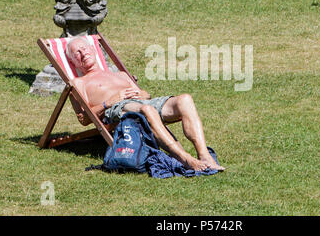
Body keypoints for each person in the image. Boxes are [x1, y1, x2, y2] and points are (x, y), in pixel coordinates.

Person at [65, 37, 224, 172]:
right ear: (73, 62)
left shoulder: (120, 74)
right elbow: (83, 119)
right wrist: (110, 101)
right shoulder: (78, 83)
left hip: (141, 102)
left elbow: (145, 95)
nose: (82, 53)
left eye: (84, 48)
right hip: (116, 109)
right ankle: (184, 158)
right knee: (146, 109)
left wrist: (142, 94)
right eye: (76, 53)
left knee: (184, 99)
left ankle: (204, 156)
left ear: (93, 49)